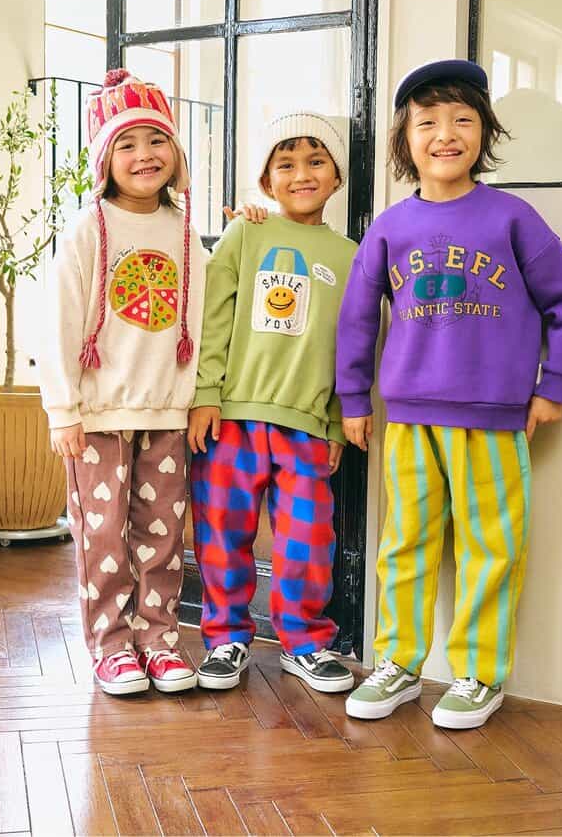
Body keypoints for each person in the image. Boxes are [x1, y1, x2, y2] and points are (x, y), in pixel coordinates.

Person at [337, 60, 562, 728]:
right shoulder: (390, 228)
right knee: (405, 545)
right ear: (405, 138)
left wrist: (554, 385)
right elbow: (357, 319)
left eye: (462, 120)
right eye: (427, 122)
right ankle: (398, 663)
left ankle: (480, 674)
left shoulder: (513, 218)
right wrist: (354, 399)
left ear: (484, 133)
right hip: (409, 420)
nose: (445, 134)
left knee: (490, 549)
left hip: (494, 420)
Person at [39, 69, 208, 695]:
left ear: (176, 152)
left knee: (162, 533)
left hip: (167, 410)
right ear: (105, 160)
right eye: (127, 144)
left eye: (156, 140)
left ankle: (158, 638)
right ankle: (111, 645)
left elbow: (204, 321)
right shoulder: (87, 229)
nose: (144, 155)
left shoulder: (186, 233)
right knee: (103, 533)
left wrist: (198, 398)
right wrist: (63, 409)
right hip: (98, 414)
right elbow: (58, 324)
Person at [188, 111, 357, 694]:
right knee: (221, 533)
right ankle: (226, 637)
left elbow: (349, 346)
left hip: (306, 424)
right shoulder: (246, 233)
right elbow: (213, 319)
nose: (302, 174)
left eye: (316, 161)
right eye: (286, 164)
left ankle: (304, 642)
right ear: (266, 180)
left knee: (307, 541)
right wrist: (205, 395)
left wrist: (334, 422)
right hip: (232, 419)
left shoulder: (351, 255)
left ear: (337, 176)